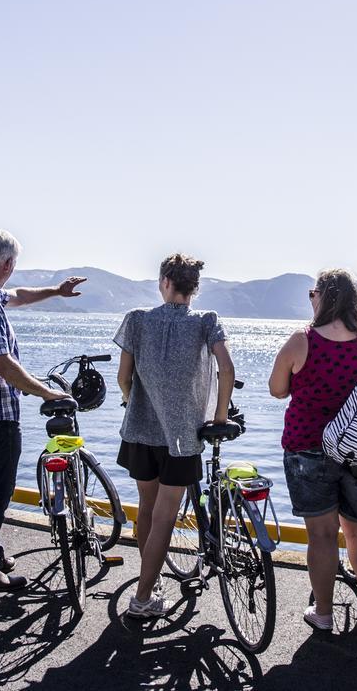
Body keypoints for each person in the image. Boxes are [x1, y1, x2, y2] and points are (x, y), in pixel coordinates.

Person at [268, 268, 357, 632]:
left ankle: (325, 614)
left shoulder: (302, 341)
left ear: (323, 298)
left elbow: (277, 389)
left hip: (308, 448)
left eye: (313, 293)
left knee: (321, 535)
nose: (311, 299)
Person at [0, 230, 87, 593]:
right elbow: (3, 364)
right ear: (8, 264)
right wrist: (46, 393)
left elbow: (19, 296)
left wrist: (56, 292)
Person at [114, 253, 235, 618]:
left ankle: (147, 584)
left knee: (147, 509)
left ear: (165, 281)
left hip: (138, 432)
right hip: (182, 436)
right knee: (166, 515)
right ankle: (142, 597)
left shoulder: (137, 320)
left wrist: (132, 402)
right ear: (194, 288)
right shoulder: (206, 322)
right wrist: (218, 415)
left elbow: (124, 378)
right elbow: (226, 369)